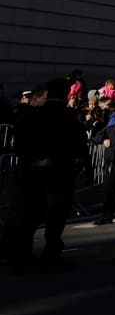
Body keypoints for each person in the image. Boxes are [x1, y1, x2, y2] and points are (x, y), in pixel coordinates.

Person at [0, 79, 88, 272]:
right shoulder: (68, 117)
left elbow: (19, 143)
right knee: (55, 216)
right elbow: (79, 143)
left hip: (31, 171)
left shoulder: (32, 116)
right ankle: (50, 254)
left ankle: (22, 253)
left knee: (28, 214)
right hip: (57, 172)